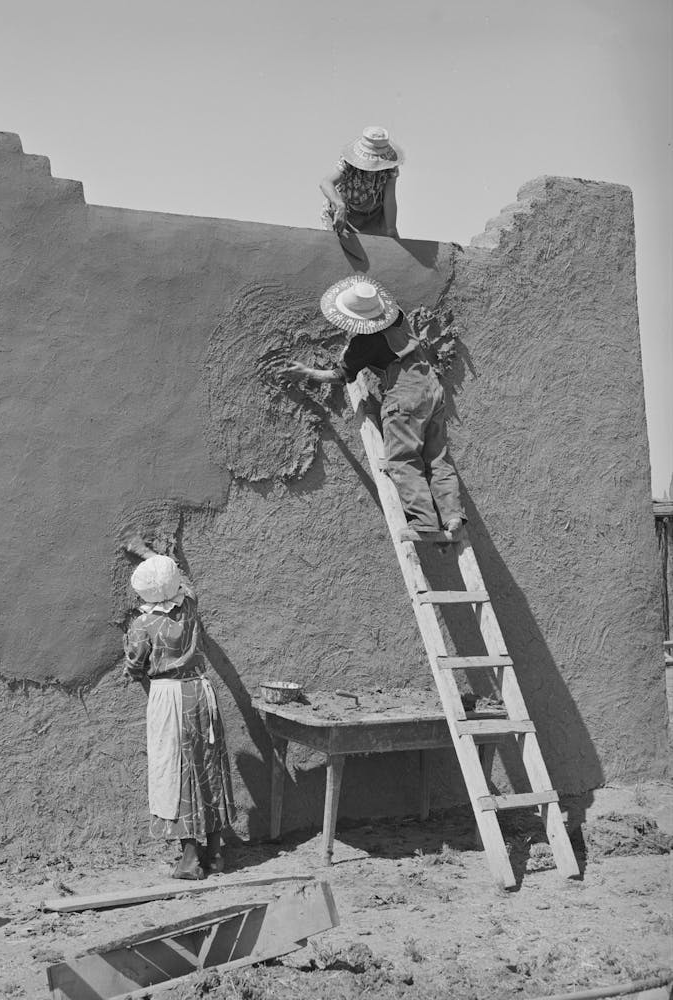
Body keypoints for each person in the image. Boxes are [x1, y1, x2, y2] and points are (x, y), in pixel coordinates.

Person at [278, 276, 465, 540]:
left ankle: (424, 522)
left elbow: (340, 375)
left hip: (405, 397)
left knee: (402, 459)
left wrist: (306, 372)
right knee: (436, 457)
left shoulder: (364, 344)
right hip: (431, 388)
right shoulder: (398, 314)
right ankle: (452, 515)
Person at [121, 537, 236, 879]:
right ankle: (214, 853)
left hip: (168, 698)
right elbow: (182, 580)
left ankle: (189, 859)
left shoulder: (143, 626)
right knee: (208, 767)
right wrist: (149, 551)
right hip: (201, 692)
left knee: (177, 772)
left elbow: (134, 666)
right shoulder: (189, 606)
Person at [320, 126, 402, 238]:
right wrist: (340, 205)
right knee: (337, 249)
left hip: (373, 218)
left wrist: (391, 228)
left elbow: (389, 198)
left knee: (379, 251)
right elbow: (326, 183)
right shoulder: (348, 163)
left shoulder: (390, 167)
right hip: (344, 214)